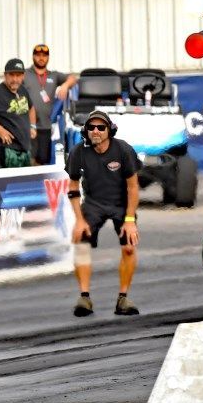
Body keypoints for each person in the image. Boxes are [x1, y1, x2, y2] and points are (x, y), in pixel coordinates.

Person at [66, 109, 141, 317]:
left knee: (128, 246)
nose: (96, 131)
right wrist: (79, 220)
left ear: (110, 130)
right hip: (93, 203)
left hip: (121, 203)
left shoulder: (123, 150)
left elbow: (133, 187)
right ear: (86, 131)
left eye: (101, 127)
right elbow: (72, 189)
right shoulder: (78, 152)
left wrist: (129, 220)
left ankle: (123, 298)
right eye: (91, 127)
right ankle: (84, 297)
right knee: (80, 242)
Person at [23, 43, 75, 165]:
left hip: (45, 126)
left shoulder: (54, 75)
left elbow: (73, 78)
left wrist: (65, 85)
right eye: (38, 55)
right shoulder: (25, 74)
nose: (41, 58)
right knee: (28, 161)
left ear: (48, 57)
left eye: (44, 55)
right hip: (27, 126)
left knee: (43, 161)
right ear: (33, 56)